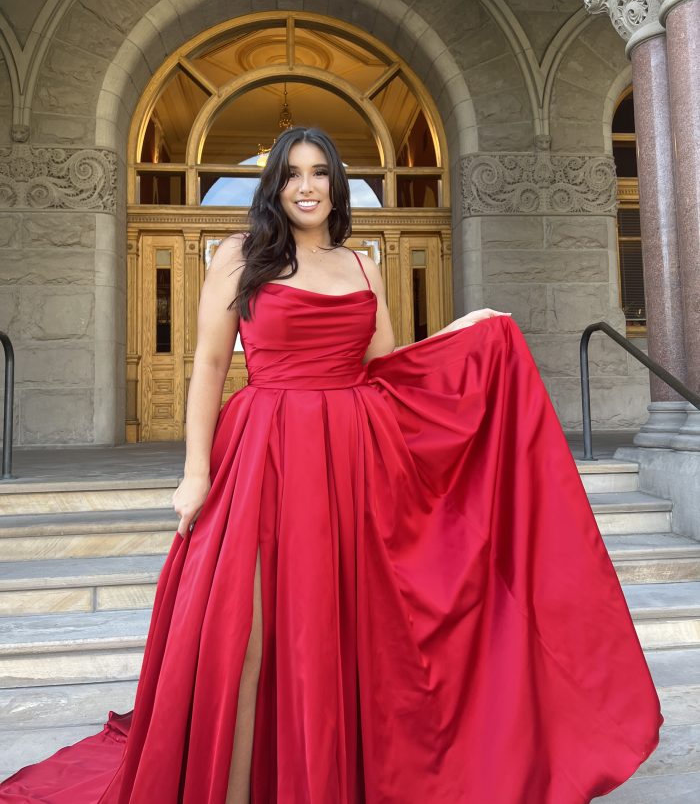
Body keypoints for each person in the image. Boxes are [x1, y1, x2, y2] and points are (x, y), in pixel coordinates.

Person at [0, 127, 662, 804]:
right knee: (243, 637)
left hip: (353, 462)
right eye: (292, 174)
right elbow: (203, 366)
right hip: (265, 451)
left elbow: (387, 369)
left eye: (320, 172)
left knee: (336, 635)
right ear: (275, 187)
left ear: (338, 184)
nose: (307, 185)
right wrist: (195, 472)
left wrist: (466, 333)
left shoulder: (362, 266)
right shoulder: (239, 256)